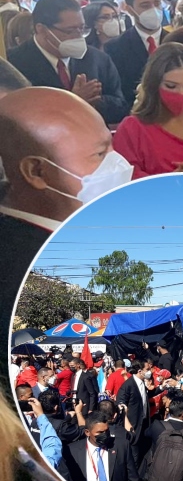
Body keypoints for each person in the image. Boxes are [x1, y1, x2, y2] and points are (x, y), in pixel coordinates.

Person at [0, 87, 131, 321]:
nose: (119, 163)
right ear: (37, 171)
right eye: (100, 154)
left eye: (112, 146)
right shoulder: (35, 284)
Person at [112, 43, 183, 178]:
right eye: (171, 86)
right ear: (154, 84)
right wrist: (168, 183)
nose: (181, 93)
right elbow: (124, 180)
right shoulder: (132, 129)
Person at [8, 0, 128, 123]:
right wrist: (72, 99)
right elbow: (15, 117)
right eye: (69, 31)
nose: (78, 36)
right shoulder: (13, 63)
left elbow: (120, 106)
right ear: (42, 29)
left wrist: (95, 100)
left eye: (81, 28)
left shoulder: (97, 59)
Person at [63, 410, 144, 481]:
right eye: (99, 432)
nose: (105, 435)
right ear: (87, 432)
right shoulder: (72, 451)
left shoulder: (121, 446)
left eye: (107, 431)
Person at [104, 0, 167, 110]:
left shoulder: (178, 40)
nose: (153, 10)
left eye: (157, 3)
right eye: (145, 6)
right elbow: (119, 92)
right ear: (129, 8)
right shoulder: (115, 48)